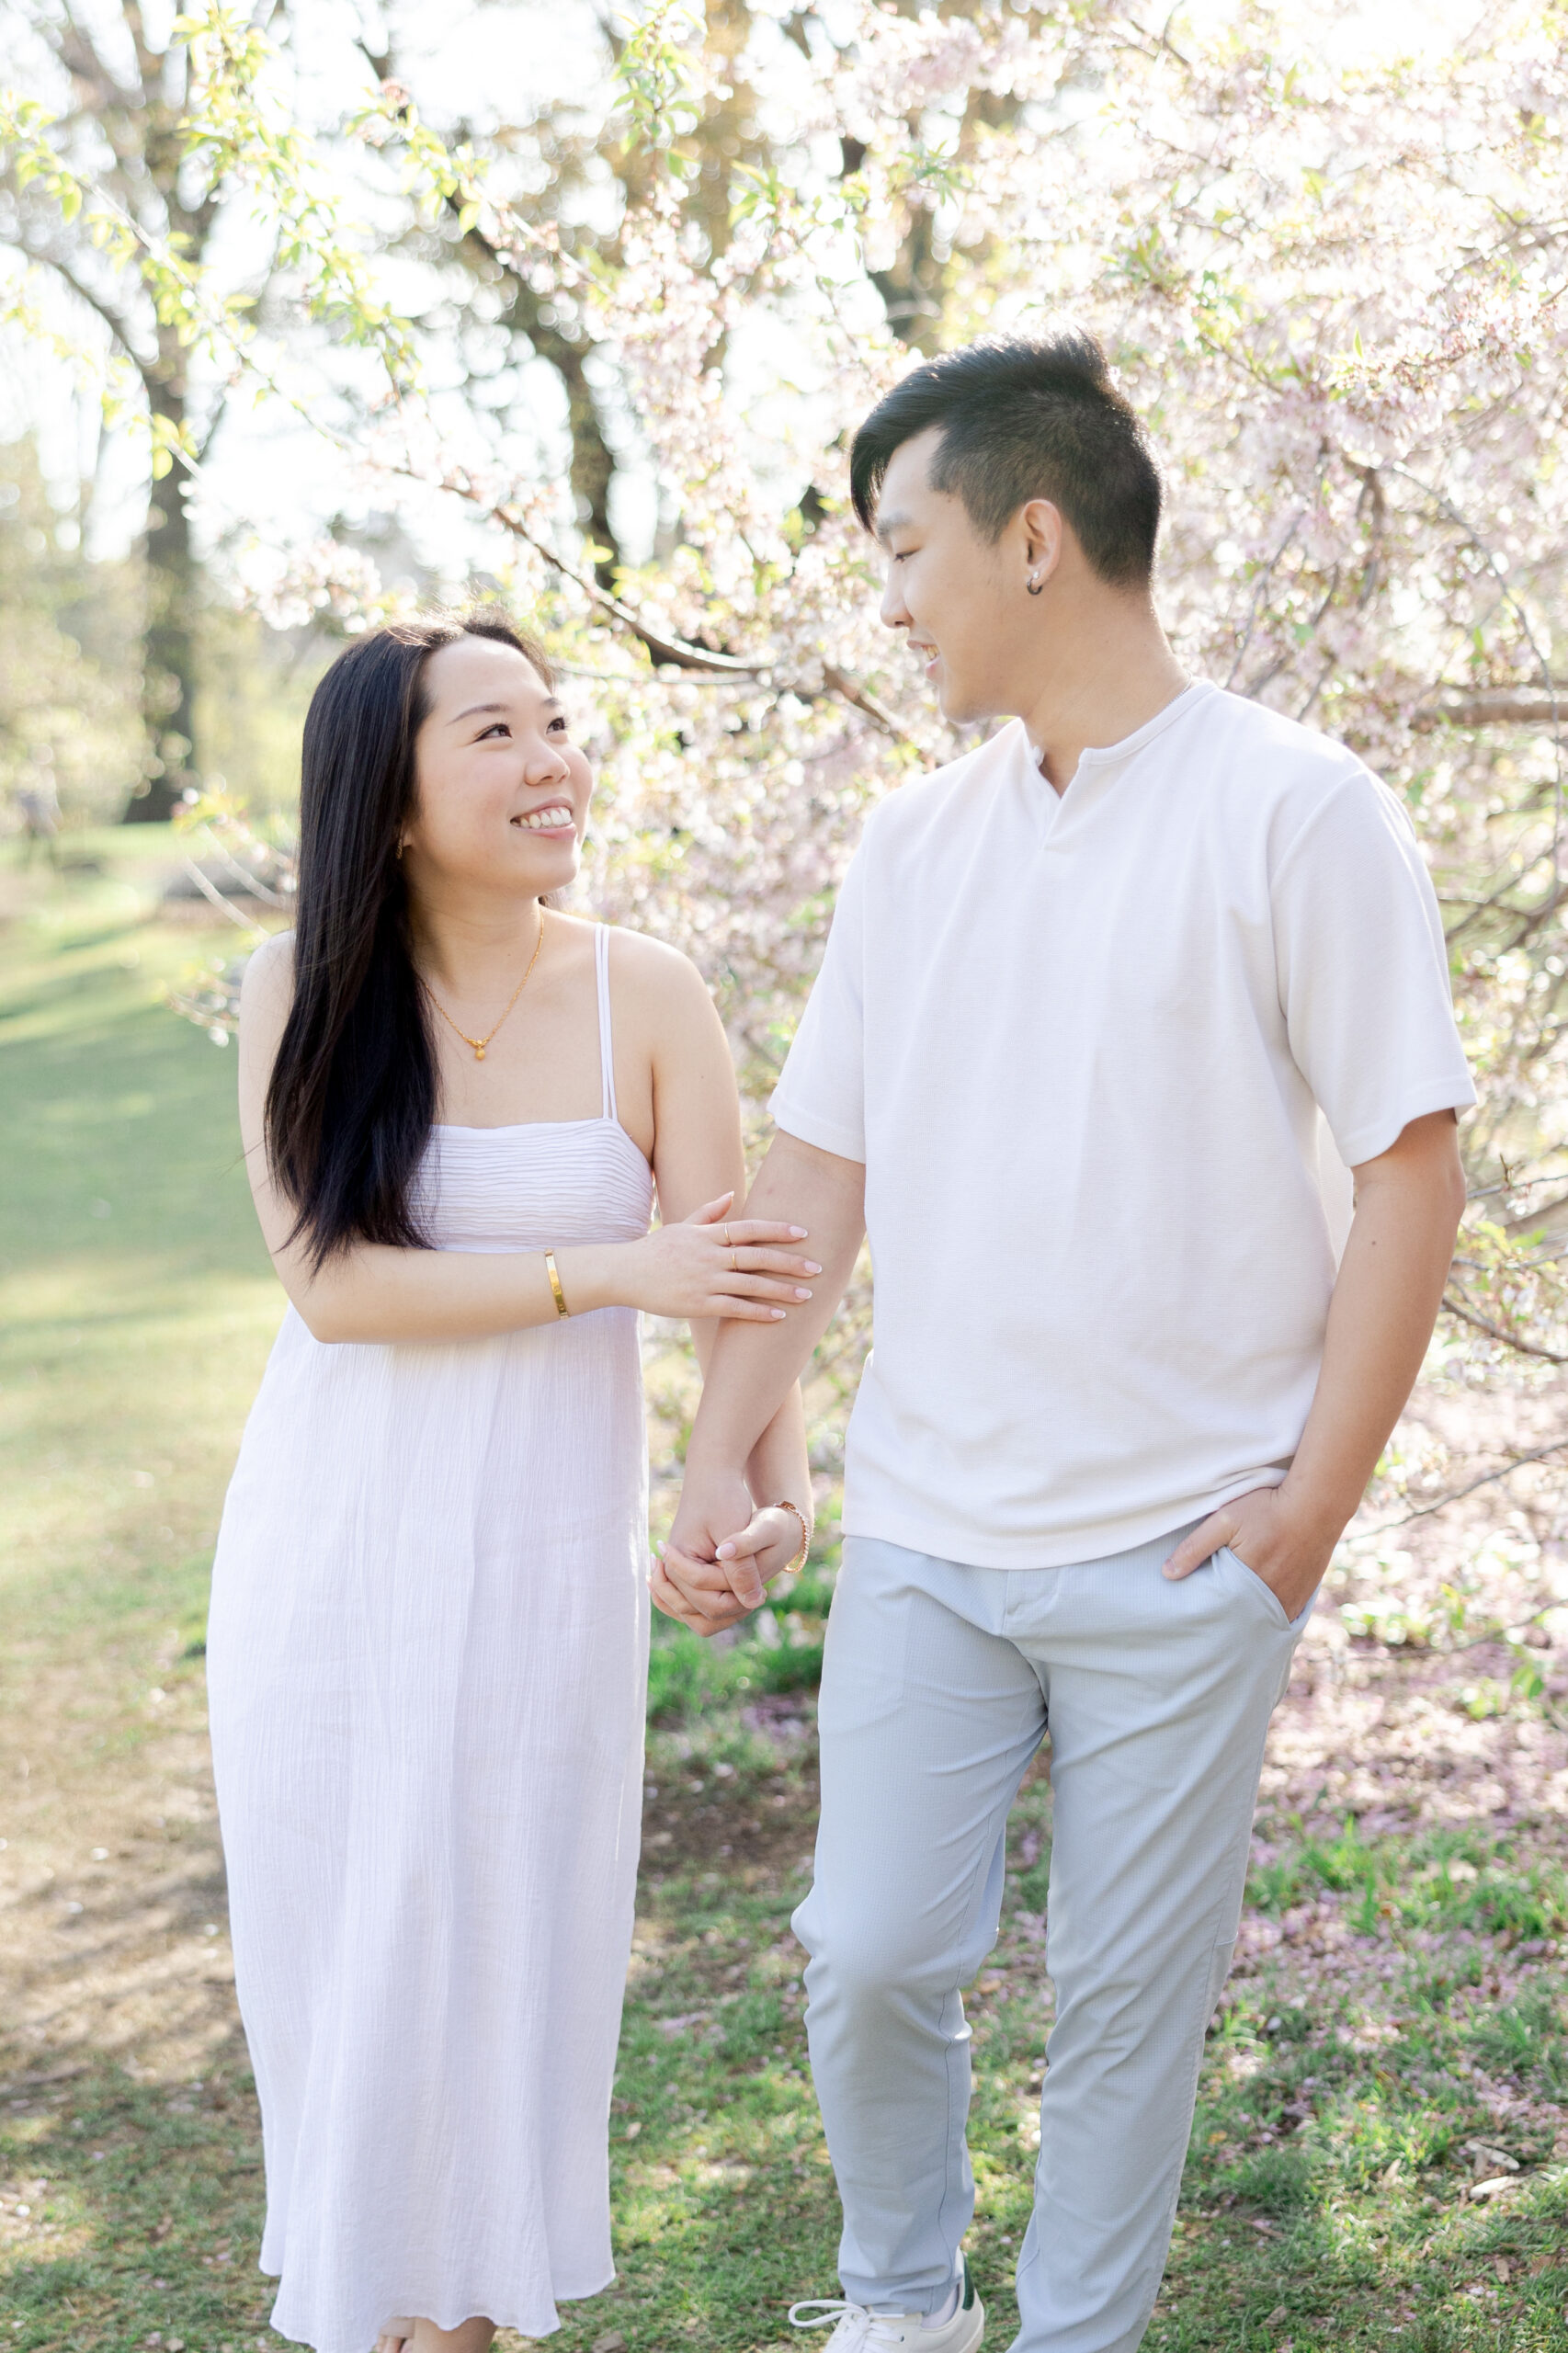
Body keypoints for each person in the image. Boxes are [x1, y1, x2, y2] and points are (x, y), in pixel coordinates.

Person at [655, 333, 1474, 2353]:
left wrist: (1304, 1515)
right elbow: (815, 1176)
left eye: (905, 543)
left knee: (1124, 2003)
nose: (890, 594)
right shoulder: (908, 845)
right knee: (864, 1949)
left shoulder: (1299, 813)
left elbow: (1410, 1172)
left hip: (1185, 1548)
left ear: (1033, 537)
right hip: (931, 1524)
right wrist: (719, 1450)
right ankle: (900, 2304)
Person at [206, 610, 816, 2353]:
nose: (553, 760)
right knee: (362, 1981)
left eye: (555, 722)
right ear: (386, 797)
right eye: (493, 734)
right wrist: (599, 1275)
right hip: (329, 1565)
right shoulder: (299, 993)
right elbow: (335, 1293)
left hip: (546, 1569)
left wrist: (757, 1486)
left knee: (501, 1974)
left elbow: (741, 1284)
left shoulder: (650, 990)